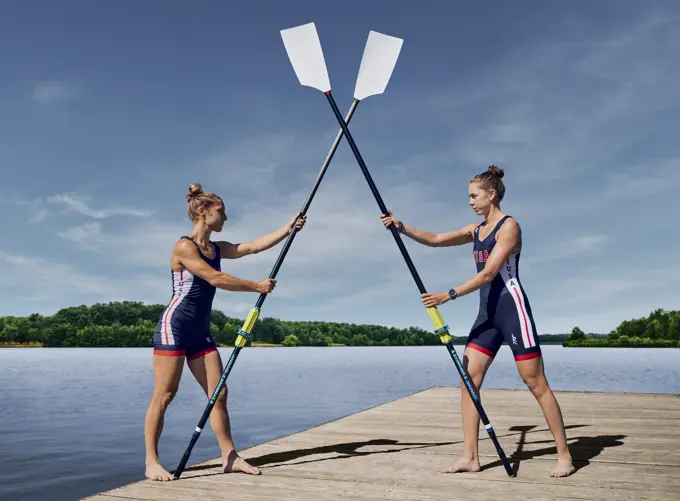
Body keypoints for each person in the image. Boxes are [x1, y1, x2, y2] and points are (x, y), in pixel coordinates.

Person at [379, 165, 575, 478]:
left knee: (534, 382)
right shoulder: (475, 230)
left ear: (492, 194)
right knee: (468, 380)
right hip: (487, 315)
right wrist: (402, 227)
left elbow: (489, 273)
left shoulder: (509, 227)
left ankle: (564, 455)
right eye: (469, 196)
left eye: (474, 196)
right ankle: (470, 456)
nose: (470, 201)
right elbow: (436, 238)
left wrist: (449, 294)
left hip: (513, 311)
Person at [144, 183, 307, 481]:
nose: (226, 218)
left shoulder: (216, 249)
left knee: (218, 393)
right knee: (166, 393)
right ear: (204, 213)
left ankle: (229, 456)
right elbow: (215, 278)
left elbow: (252, 246)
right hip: (175, 327)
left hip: (199, 332)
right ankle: (152, 461)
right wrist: (256, 286)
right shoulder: (184, 247)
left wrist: (289, 228)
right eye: (222, 212)